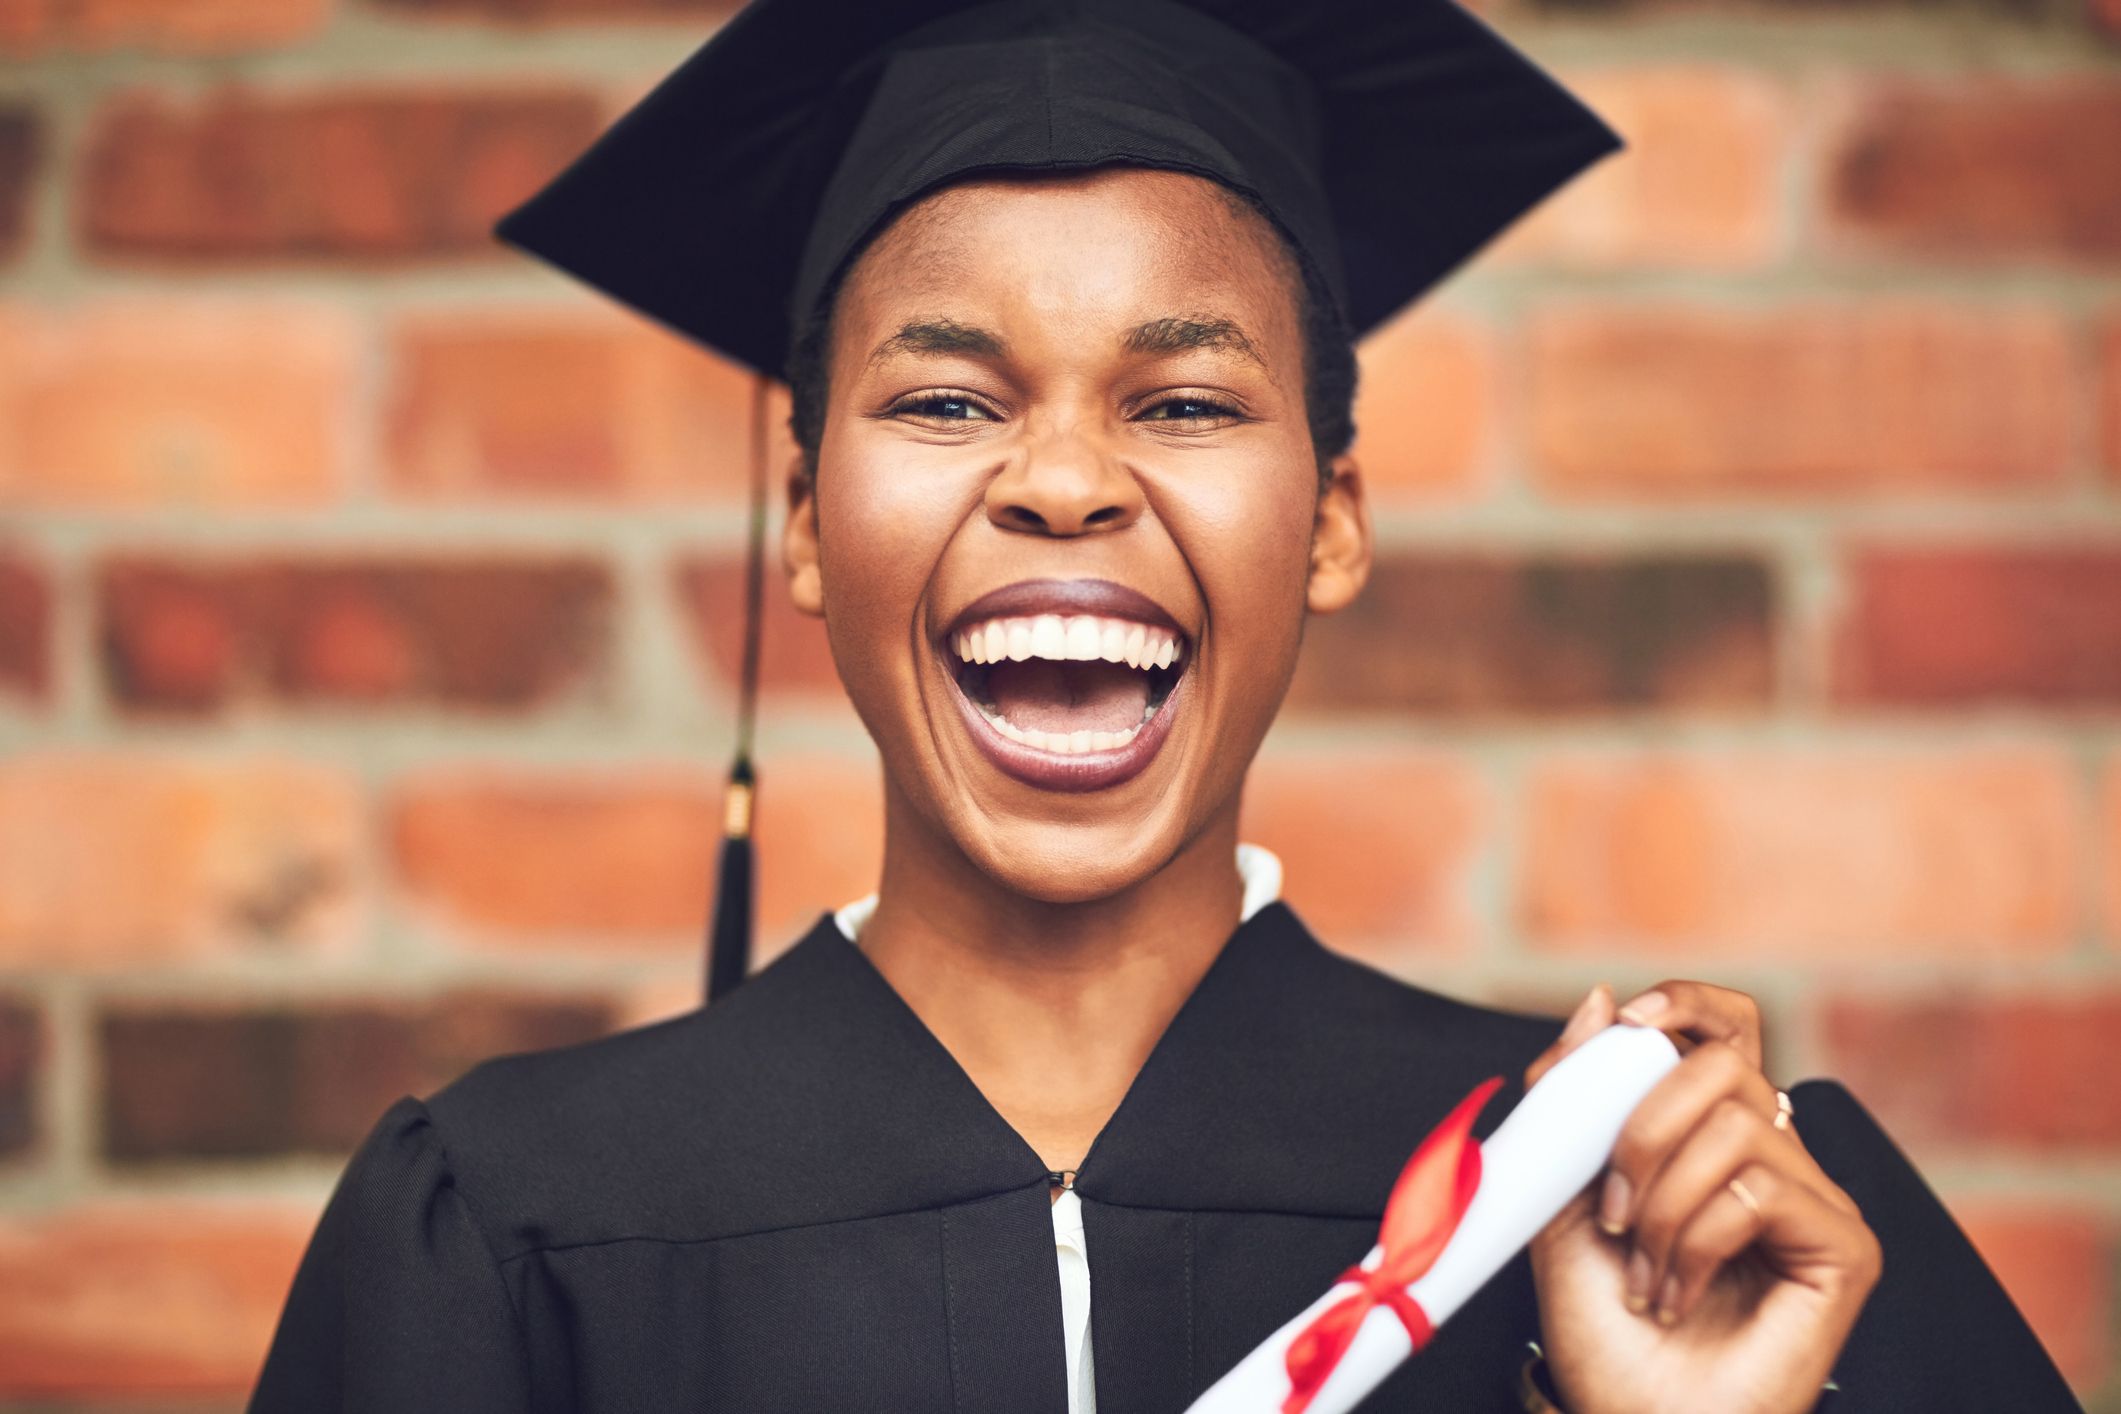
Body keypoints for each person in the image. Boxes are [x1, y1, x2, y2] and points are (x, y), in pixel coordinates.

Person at [248, 2, 2082, 1411]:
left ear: (1333, 522)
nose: (1064, 481)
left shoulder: (1666, 1217)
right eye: (948, 402)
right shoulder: (511, 1231)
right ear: (806, 523)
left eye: (1185, 402)